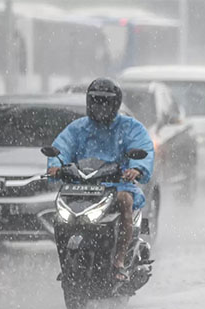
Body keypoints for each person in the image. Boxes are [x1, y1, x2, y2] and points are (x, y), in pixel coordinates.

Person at [47, 78, 154, 280]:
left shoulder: (129, 127)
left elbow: (143, 148)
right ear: (89, 102)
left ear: (115, 104)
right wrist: (56, 166)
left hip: (117, 184)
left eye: (105, 102)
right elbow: (61, 147)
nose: (100, 107)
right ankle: (66, 262)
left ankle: (119, 260)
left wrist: (136, 169)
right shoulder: (78, 128)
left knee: (126, 201)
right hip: (81, 186)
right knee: (60, 215)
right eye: (96, 101)